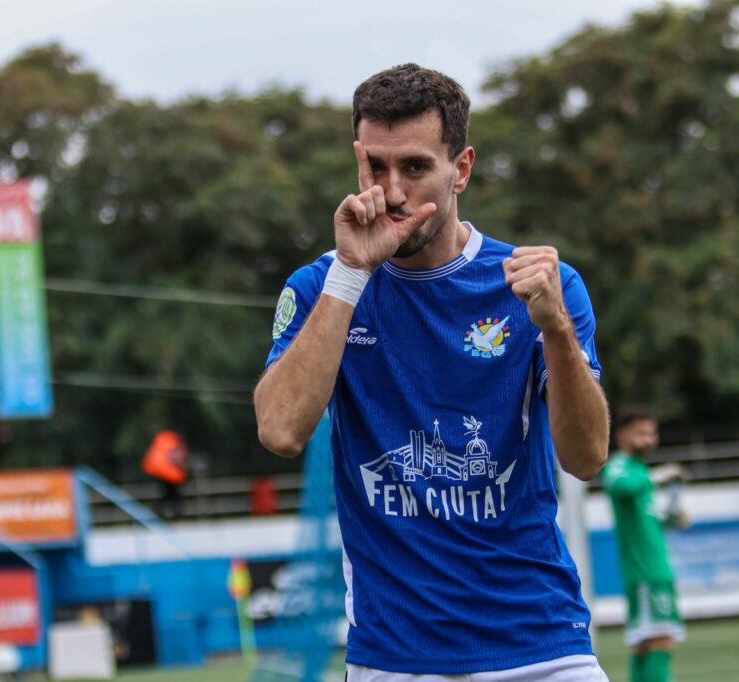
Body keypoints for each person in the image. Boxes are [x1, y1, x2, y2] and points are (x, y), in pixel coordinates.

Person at [254, 63, 611, 680]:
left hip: (541, 644)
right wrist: (350, 273)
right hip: (394, 657)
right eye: (376, 167)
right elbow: (280, 430)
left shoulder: (539, 285)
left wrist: (555, 329)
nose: (393, 191)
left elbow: (586, 458)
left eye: (416, 167)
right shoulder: (322, 285)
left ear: (461, 169)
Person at [600, 406, 688, 682]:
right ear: (621, 436)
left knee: (645, 644)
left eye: (652, 433)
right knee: (661, 640)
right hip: (647, 571)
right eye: (641, 433)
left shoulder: (639, 470)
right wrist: (656, 477)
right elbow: (620, 486)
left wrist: (670, 519)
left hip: (651, 570)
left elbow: (646, 520)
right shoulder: (620, 465)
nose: (649, 440)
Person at [141, 429, 188, 519]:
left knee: (166, 495)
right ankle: (174, 513)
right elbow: (176, 458)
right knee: (172, 495)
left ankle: (160, 512)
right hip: (168, 474)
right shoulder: (175, 444)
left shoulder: (164, 441)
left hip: (158, 472)